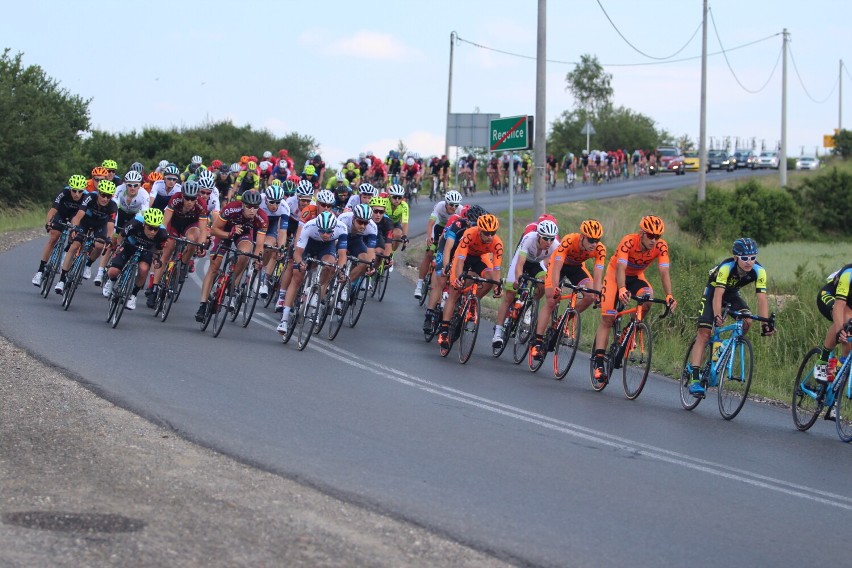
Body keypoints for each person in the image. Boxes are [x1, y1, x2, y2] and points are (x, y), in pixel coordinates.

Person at [591, 215, 677, 385]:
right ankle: (599, 363)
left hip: (636, 276)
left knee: (648, 298)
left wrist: (669, 295)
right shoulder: (628, 241)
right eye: (650, 236)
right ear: (641, 233)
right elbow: (621, 267)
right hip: (616, 276)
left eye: (657, 236)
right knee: (608, 318)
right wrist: (622, 288)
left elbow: (664, 271)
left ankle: (630, 329)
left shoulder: (661, 246)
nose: (654, 240)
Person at [686, 238, 775, 396]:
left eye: (753, 257)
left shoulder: (759, 271)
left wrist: (765, 323)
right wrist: (717, 316)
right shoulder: (726, 267)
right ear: (736, 258)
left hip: (732, 294)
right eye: (745, 258)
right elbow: (718, 295)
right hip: (713, 292)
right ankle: (694, 378)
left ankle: (725, 346)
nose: (749, 262)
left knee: (747, 320)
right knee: (705, 332)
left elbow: (762, 299)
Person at [195, 190, 268, 321]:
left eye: (256, 207)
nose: (252, 210)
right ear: (243, 205)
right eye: (249, 207)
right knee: (214, 267)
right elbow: (214, 230)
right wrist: (229, 234)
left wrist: (258, 258)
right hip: (224, 232)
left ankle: (231, 285)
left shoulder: (262, 218)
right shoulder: (231, 209)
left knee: (245, 255)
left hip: (244, 235)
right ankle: (203, 304)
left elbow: (259, 245)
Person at [276, 210, 348, 337]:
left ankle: (317, 293)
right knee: (297, 276)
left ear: (334, 228)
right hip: (308, 246)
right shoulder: (309, 226)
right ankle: (284, 319)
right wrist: (300, 263)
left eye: (329, 232)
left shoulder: (341, 228)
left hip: (327, 248)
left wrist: (341, 270)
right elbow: (297, 253)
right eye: (322, 231)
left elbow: (342, 255)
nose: (325, 234)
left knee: (330, 267)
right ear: (318, 227)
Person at [438, 213, 503, 349]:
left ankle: (473, 302)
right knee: (455, 290)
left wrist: (497, 285)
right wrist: (458, 277)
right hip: (464, 257)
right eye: (486, 233)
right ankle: (444, 330)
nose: (490, 236)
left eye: (493, 233)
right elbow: (460, 259)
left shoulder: (497, 243)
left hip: (480, 258)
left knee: (490, 279)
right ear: (479, 230)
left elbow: (496, 269)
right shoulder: (469, 233)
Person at [492, 219, 559, 349]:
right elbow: (520, 264)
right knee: (510, 295)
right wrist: (518, 279)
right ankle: (498, 332)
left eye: (551, 239)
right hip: (522, 261)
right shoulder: (529, 239)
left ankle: (530, 306)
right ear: (539, 236)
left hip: (536, 264)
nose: (549, 242)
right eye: (546, 238)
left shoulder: (555, 245)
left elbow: (554, 267)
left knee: (544, 283)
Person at [422, 205, 486, 334]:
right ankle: (429, 316)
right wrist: (446, 266)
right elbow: (447, 248)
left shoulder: (479, 232)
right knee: (441, 280)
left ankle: (458, 307)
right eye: (473, 224)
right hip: (447, 248)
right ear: (467, 220)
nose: (476, 227)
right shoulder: (457, 224)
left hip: (463, 254)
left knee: (467, 278)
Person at [148, 180, 209, 308]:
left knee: (194, 239)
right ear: (182, 195)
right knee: (166, 253)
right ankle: (154, 288)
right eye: (187, 198)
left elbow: (203, 230)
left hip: (189, 226)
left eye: (192, 199)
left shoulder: (201, 204)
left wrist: (202, 245)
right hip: (174, 225)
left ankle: (183, 266)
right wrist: (162, 237)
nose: (189, 202)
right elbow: (164, 223)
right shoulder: (175, 199)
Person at [54, 180, 118, 294]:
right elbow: (79, 215)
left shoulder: (113, 205)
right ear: (98, 193)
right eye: (103, 195)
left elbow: (110, 225)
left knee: (99, 245)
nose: (105, 199)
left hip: (100, 225)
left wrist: (109, 238)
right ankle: (62, 279)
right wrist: (74, 227)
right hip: (85, 222)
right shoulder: (89, 197)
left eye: (108, 196)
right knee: (75, 246)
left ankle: (88, 264)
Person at [101, 208, 168, 311]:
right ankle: (111, 280)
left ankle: (133, 295)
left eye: (156, 229)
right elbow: (121, 236)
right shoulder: (134, 224)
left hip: (146, 249)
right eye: (150, 228)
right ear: (144, 224)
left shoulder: (162, 234)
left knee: (144, 269)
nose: (153, 232)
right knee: (113, 271)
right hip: (129, 244)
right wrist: (119, 247)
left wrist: (156, 260)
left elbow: (158, 251)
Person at [32, 174, 88, 287]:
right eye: (74, 190)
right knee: (53, 237)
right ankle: (40, 270)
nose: (77, 194)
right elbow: (53, 210)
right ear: (70, 188)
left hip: (74, 216)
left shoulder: (86, 197)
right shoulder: (64, 192)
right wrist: (48, 223)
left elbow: (80, 216)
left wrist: (76, 228)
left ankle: (66, 252)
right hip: (61, 214)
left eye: (80, 191)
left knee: (74, 233)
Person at [414, 190, 462, 299]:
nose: (453, 207)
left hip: (451, 232)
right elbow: (431, 223)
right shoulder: (439, 206)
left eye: (456, 205)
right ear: (446, 203)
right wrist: (429, 237)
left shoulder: (460, 210)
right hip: (439, 228)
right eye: (451, 205)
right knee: (429, 253)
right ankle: (419, 285)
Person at [813, 263, 852, 388]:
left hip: (849, 303)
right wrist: (841, 329)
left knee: (848, 350)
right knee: (844, 322)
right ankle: (823, 360)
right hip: (830, 296)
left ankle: (833, 384)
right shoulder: (848, 274)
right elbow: (839, 306)